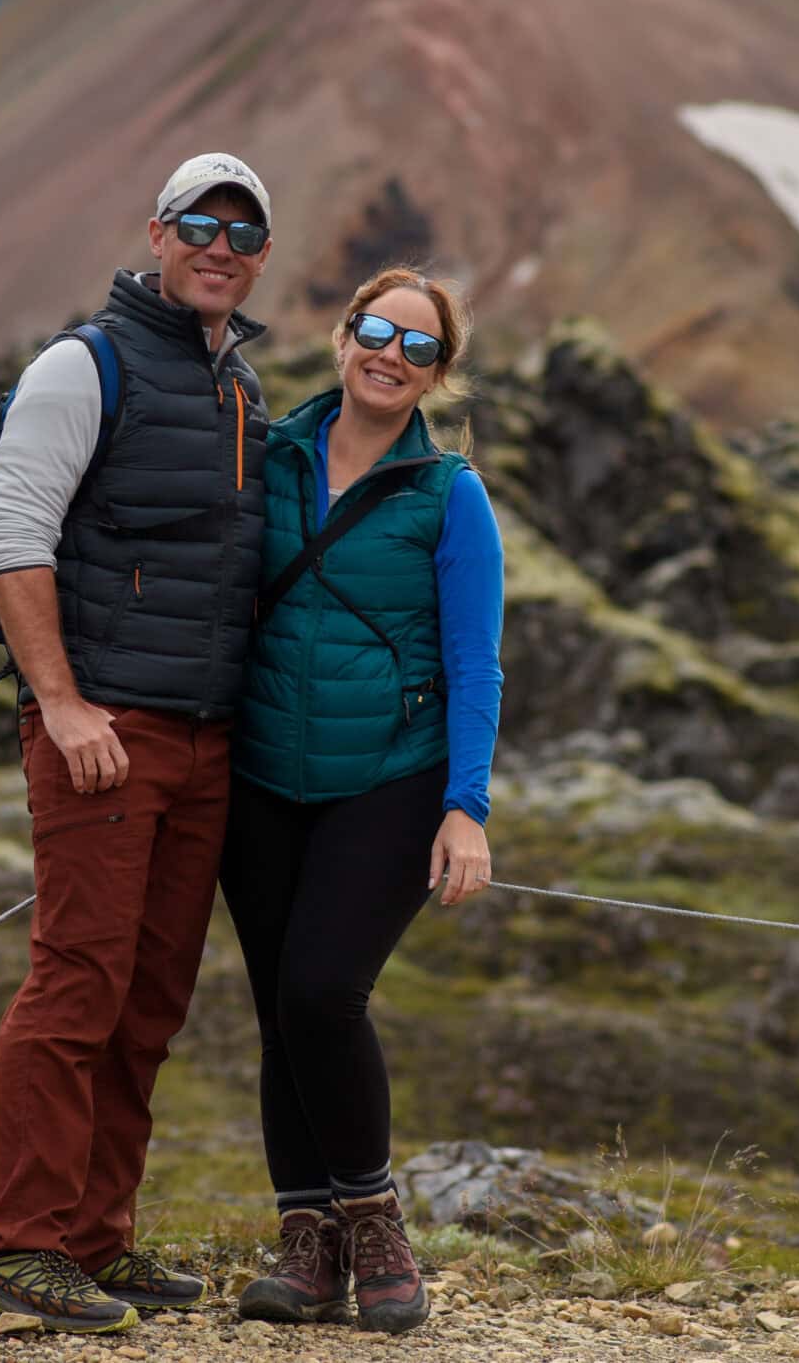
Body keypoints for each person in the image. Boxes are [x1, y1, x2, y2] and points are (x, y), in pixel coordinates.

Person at [0, 153, 276, 1335]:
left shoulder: (236, 386)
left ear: (259, 256)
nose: (219, 245)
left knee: (148, 997)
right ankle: (14, 1241)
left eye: (242, 231)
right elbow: (15, 540)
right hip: (101, 731)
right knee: (78, 979)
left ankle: (94, 1237)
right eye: (200, 223)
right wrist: (66, 704)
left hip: (201, 738)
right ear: (157, 232)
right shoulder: (81, 366)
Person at [221, 268, 504, 1334]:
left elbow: (477, 663)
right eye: (375, 331)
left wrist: (464, 805)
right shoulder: (270, 453)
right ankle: (309, 1247)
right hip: (256, 775)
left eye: (417, 345)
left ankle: (374, 1217)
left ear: (438, 372)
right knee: (277, 1018)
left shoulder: (448, 494)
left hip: (388, 779)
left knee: (323, 990)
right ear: (342, 338)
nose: (390, 353)